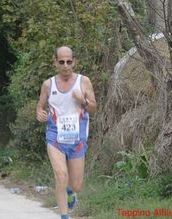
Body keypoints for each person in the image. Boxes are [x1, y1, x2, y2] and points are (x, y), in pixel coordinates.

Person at [36, 46, 96, 219]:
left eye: (69, 62)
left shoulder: (84, 82)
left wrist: (83, 100)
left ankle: (70, 191)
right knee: (61, 176)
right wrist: (40, 113)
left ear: (74, 61)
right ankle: (64, 215)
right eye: (61, 62)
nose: (65, 65)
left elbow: (93, 108)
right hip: (55, 137)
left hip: (77, 139)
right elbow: (40, 106)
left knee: (76, 185)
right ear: (55, 62)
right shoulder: (48, 84)